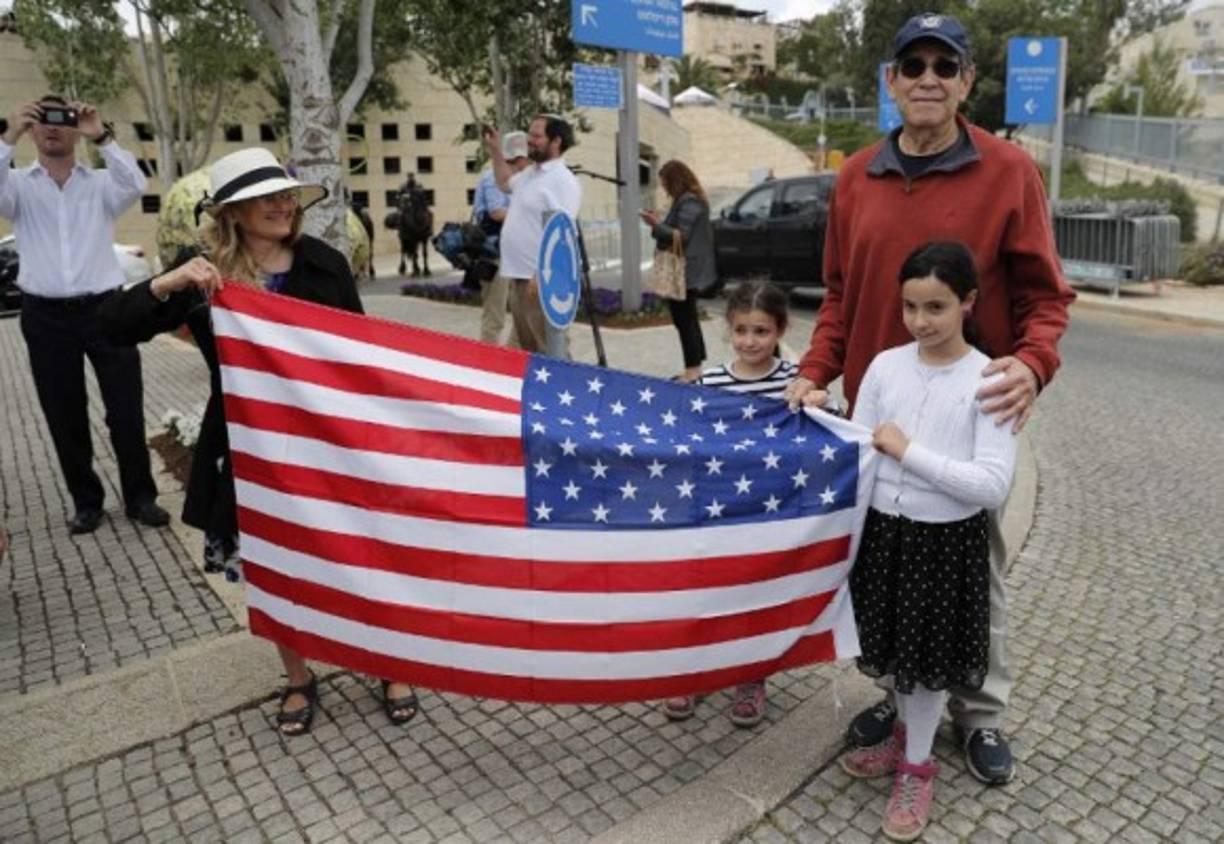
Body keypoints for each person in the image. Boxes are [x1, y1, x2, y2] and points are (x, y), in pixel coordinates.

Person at [783, 11, 1075, 785]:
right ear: (890, 80)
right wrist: (816, 368)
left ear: (966, 82)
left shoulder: (1009, 171)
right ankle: (901, 690)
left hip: (967, 406)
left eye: (944, 66)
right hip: (878, 414)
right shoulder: (855, 177)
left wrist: (1034, 364)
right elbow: (840, 297)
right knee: (884, 566)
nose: (927, 79)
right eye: (912, 65)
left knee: (976, 576)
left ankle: (979, 713)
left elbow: (1048, 298)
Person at [99, 148, 419, 736]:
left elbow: (360, 353)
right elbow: (112, 325)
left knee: (364, 554)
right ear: (233, 212)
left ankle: (389, 663)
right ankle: (298, 677)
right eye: (265, 197)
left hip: (329, 438)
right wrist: (168, 282)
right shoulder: (201, 275)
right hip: (249, 449)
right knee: (270, 567)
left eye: (286, 194)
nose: (282, 205)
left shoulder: (323, 263)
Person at [839, 241, 1016, 841]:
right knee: (894, 649)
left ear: (968, 302)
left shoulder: (990, 379)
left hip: (943, 544)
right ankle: (902, 737)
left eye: (936, 307)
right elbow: (859, 450)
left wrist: (908, 451)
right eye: (910, 306)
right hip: (887, 535)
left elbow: (990, 485)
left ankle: (919, 766)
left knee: (929, 662)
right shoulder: (886, 366)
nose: (920, 321)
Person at [0, 96, 170, 535]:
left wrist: (102, 135)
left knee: (126, 410)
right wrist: (10, 134)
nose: (51, 128)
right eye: (41, 121)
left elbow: (136, 183)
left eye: (62, 120)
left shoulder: (99, 185)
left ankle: (141, 497)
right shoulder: (17, 186)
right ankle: (86, 503)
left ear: (75, 129)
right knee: (64, 413)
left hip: (105, 310)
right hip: (45, 316)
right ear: (32, 130)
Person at [662, 279, 797, 727]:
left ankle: (750, 676)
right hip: (715, 514)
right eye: (741, 331)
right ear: (728, 329)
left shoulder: (793, 385)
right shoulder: (711, 381)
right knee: (705, 595)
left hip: (768, 516)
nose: (750, 341)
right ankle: (695, 671)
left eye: (761, 331)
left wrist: (820, 403)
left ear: (780, 330)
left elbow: (828, 435)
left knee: (755, 598)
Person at [482, 115, 582, 354]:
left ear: (556, 141)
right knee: (530, 349)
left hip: (540, 282)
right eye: (530, 134)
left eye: (537, 136)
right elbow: (505, 183)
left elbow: (564, 235)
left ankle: (563, 390)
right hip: (519, 275)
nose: (529, 140)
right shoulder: (532, 173)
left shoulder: (563, 181)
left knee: (550, 349)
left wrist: (542, 274)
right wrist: (496, 150)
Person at [641, 160, 715, 383]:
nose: (664, 188)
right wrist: (659, 223)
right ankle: (696, 365)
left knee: (684, 320)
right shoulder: (686, 201)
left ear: (675, 180)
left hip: (685, 270)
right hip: (688, 268)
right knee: (688, 317)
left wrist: (655, 224)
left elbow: (681, 236)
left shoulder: (689, 202)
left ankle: (692, 370)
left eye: (665, 183)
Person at [472, 131, 530, 345]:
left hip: (513, 253)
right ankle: (489, 365)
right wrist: (529, 216)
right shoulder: (492, 178)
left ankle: (512, 361)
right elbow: (496, 212)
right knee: (495, 316)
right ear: (520, 157)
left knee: (521, 315)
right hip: (494, 254)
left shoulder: (518, 180)